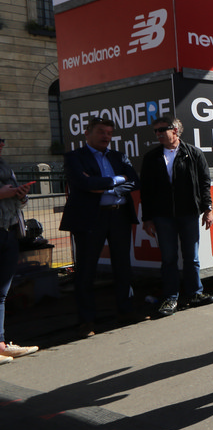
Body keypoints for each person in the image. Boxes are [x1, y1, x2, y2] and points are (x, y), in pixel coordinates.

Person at [60, 116, 142, 337]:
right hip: (90, 219)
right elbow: (84, 183)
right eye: (101, 132)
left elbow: (134, 180)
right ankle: (87, 321)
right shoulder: (74, 157)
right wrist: (117, 180)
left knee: (123, 266)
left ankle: (126, 311)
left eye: (109, 133)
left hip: (119, 216)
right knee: (86, 270)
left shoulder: (119, 156)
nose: (106, 136)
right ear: (87, 133)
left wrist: (105, 187)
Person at [139, 116, 213, 318]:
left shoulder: (193, 153)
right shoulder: (152, 157)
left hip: (189, 213)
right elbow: (146, 190)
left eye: (162, 129)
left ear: (175, 130)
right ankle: (171, 297)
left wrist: (208, 209)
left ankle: (195, 293)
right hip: (163, 216)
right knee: (169, 258)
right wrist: (147, 218)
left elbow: (204, 183)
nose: (158, 134)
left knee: (192, 257)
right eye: (155, 131)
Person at [0, 137, 38, 363]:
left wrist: (21, 194)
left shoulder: (6, 168)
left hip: (9, 231)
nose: (1, 144)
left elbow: (21, 203)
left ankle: (1, 345)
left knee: (1, 293)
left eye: (2, 140)